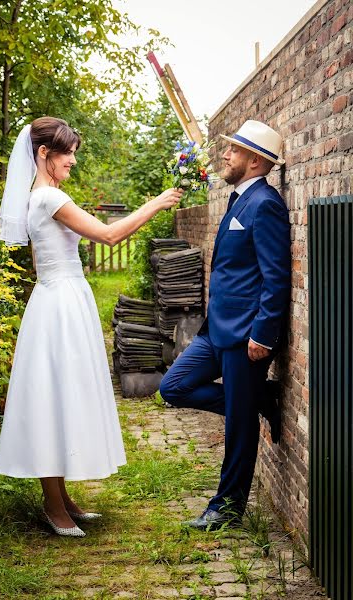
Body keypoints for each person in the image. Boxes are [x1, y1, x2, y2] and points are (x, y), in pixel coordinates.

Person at [0, 116, 183, 537]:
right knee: (51, 398)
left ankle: (62, 498)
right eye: (69, 153)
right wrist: (156, 202)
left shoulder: (47, 194)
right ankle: (51, 503)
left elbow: (44, 258)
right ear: (44, 153)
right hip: (59, 303)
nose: (74, 161)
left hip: (62, 297)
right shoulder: (45, 199)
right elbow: (109, 235)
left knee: (62, 394)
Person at [160, 120, 291, 529]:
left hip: (245, 337)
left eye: (234, 150)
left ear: (255, 160)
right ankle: (257, 399)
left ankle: (227, 508)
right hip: (215, 331)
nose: (225, 154)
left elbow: (276, 277)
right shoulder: (238, 200)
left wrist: (263, 334)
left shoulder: (265, 203)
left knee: (238, 425)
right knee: (173, 387)